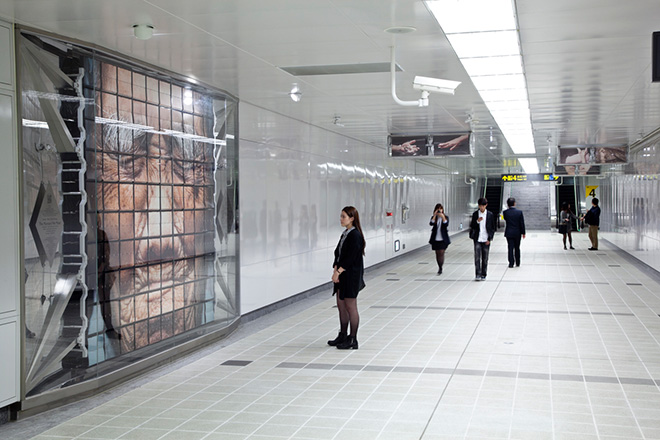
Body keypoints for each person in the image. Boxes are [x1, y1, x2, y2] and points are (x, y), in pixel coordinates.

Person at [328, 206, 366, 350]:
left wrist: (338, 272)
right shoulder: (345, 233)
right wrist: (335, 268)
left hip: (350, 276)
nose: (341, 219)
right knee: (341, 306)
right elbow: (338, 253)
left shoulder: (355, 235)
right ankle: (343, 334)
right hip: (342, 275)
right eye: (341, 216)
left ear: (352, 218)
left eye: (343, 216)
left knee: (351, 307)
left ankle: (353, 339)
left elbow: (350, 258)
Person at [470, 198, 496, 281]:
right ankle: (477, 274)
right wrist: (477, 221)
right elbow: (472, 226)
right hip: (477, 238)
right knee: (477, 257)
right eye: (480, 206)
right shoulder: (475, 214)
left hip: (486, 238)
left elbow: (492, 227)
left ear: (486, 205)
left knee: (485, 258)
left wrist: (490, 238)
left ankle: (484, 274)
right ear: (478, 206)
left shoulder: (490, 214)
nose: (482, 208)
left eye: (483, 206)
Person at [502, 197, 526, 267]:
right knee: (517, 247)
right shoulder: (519, 212)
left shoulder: (505, 212)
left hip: (509, 232)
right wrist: (523, 232)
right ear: (514, 203)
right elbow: (522, 223)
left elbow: (506, 220)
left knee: (510, 247)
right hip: (517, 232)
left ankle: (511, 263)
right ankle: (518, 262)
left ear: (508, 204)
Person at [428, 203, 451, 274]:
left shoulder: (446, 217)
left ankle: (440, 268)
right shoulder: (434, 217)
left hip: (443, 239)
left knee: (441, 252)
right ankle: (439, 266)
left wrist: (443, 217)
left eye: (440, 209)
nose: (439, 211)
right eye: (438, 209)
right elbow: (431, 223)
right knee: (437, 253)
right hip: (435, 238)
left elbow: (446, 224)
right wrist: (435, 215)